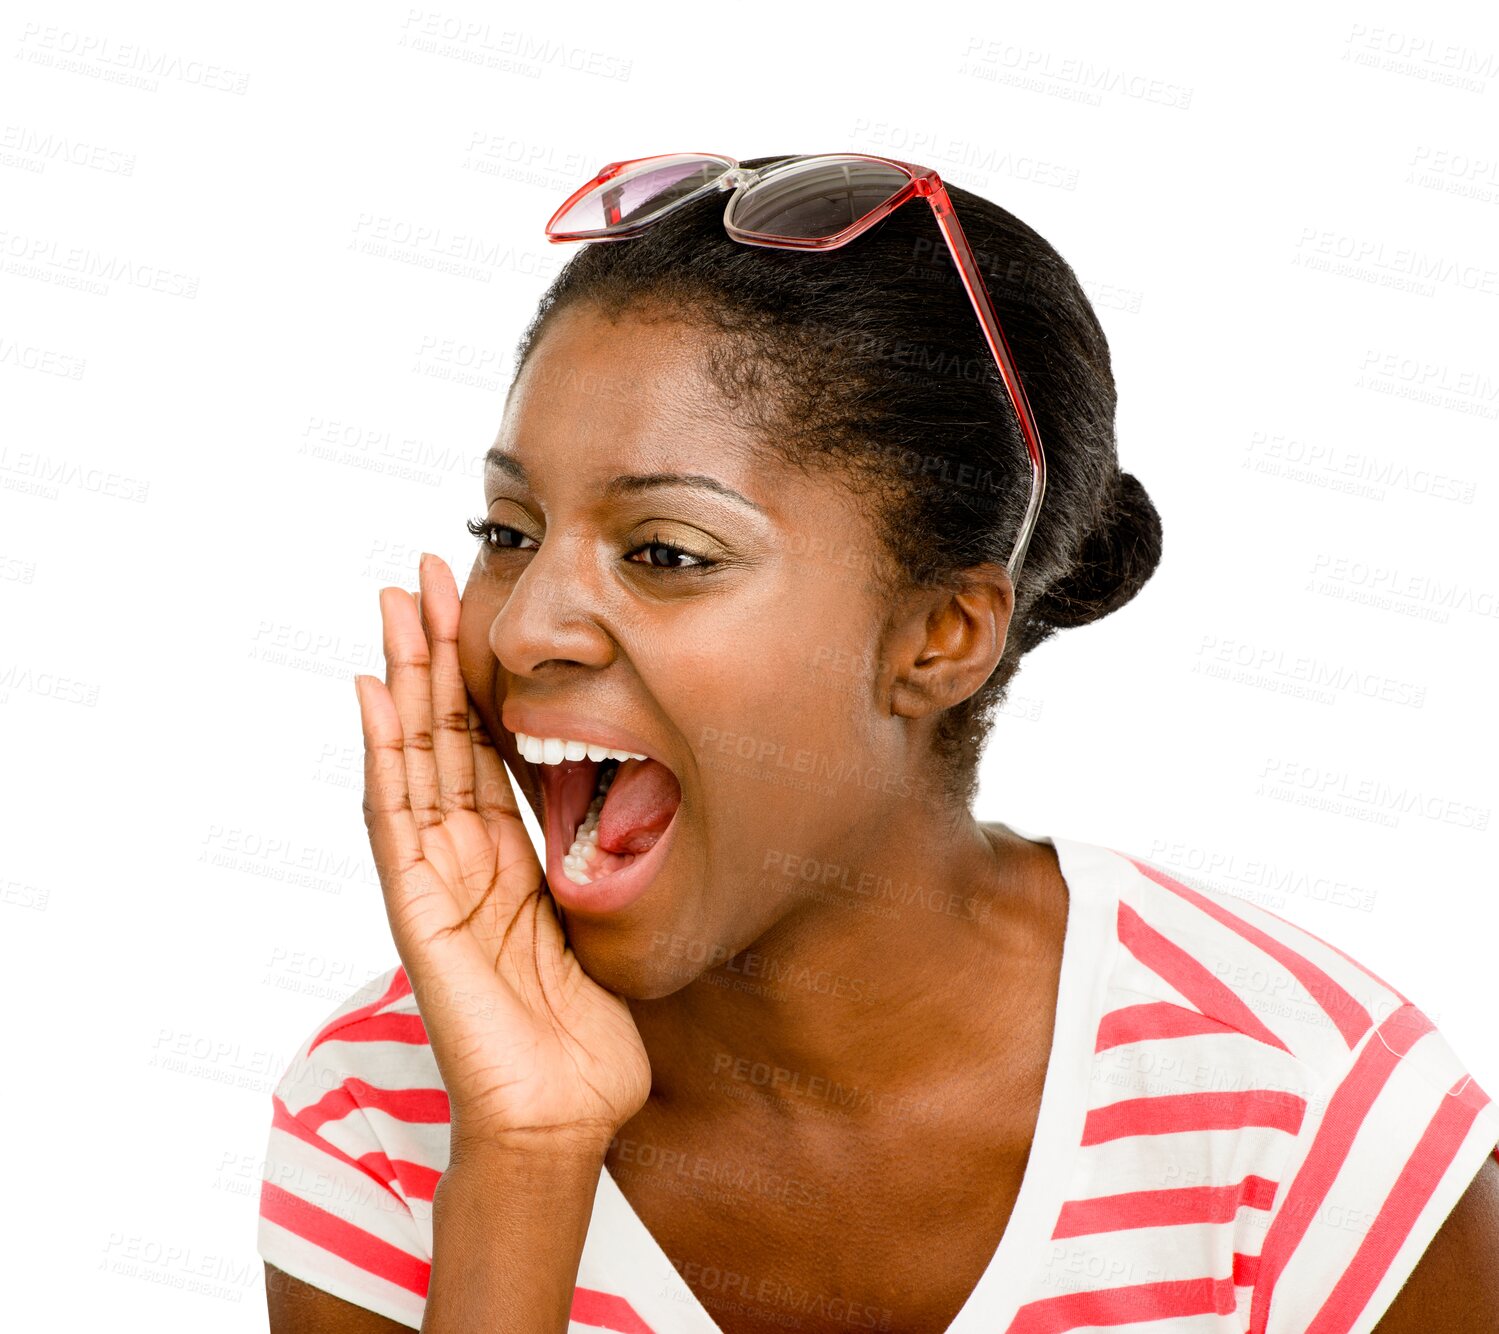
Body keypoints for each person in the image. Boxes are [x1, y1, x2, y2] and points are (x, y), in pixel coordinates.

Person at [257, 155, 1499, 1332]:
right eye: (509, 530)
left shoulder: (1302, 1112)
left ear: (938, 634)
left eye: (666, 552)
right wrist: (521, 1161)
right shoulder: (386, 1116)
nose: (522, 629)